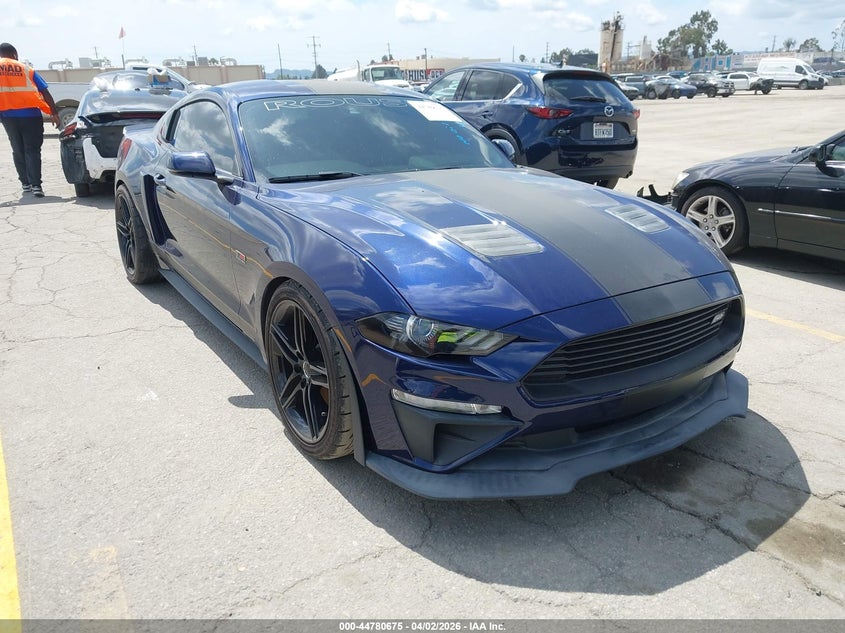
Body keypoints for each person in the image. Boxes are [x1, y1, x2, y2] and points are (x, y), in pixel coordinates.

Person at [0, 42, 59, 197]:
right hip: (31, 116)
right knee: (32, 150)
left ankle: (25, 184)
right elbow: (44, 92)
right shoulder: (26, 69)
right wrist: (54, 113)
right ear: (14, 54)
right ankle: (36, 186)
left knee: (17, 150)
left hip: (7, 117)